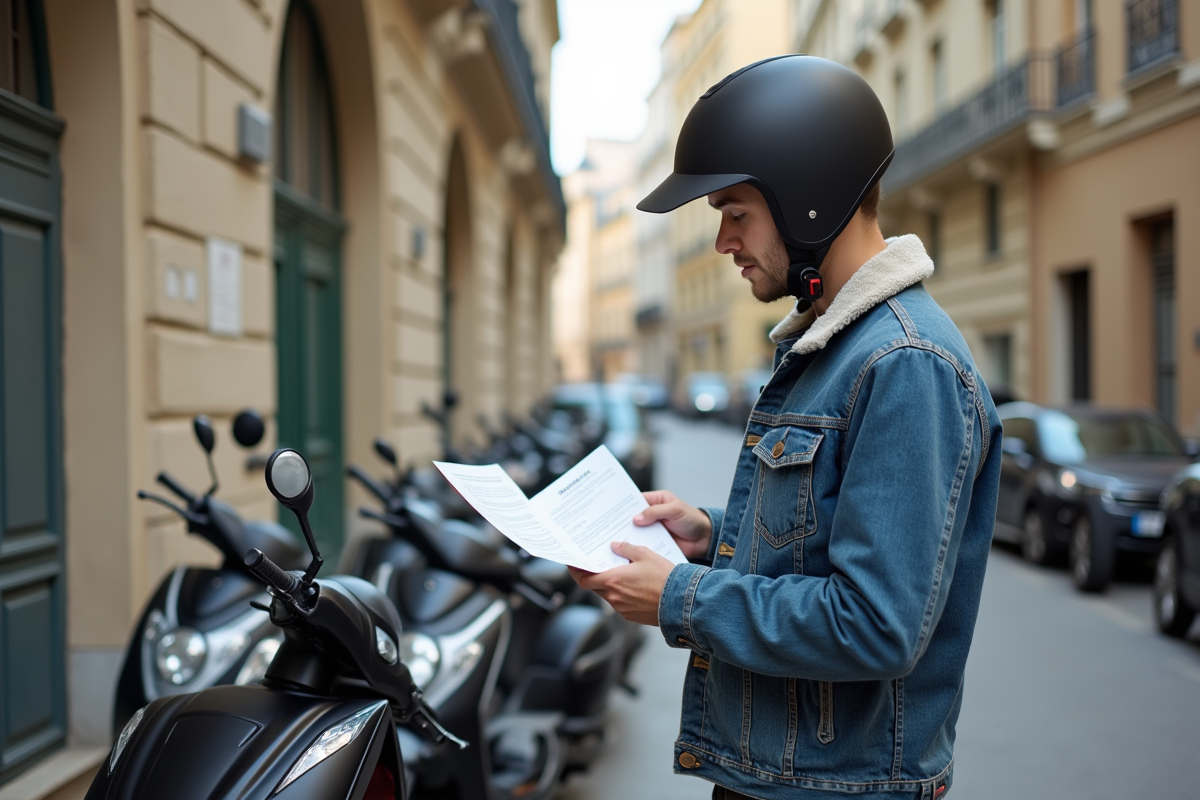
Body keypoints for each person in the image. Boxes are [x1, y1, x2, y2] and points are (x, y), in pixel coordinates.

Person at [569, 55, 1002, 800]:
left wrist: (681, 596)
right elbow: (830, 534)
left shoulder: (903, 363)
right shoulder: (838, 346)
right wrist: (714, 532)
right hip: (788, 779)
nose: (723, 243)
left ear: (808, 196)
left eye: (736, 212)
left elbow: (873, 622)